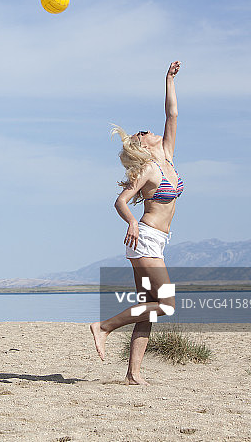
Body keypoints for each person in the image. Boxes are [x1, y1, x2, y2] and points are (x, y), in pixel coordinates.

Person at [90, 61, 182, 385]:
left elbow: (171, 115)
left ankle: (132, 374)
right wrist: (130, 222)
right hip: (144, 241)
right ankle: (104, 327)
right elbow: (120, 201)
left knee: (149, 306)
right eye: (144, 133)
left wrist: (168, 80)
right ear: (143, 146)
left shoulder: (167, 155)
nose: (150, 131)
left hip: (156, 242)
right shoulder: (147, 170)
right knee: (166, 303)